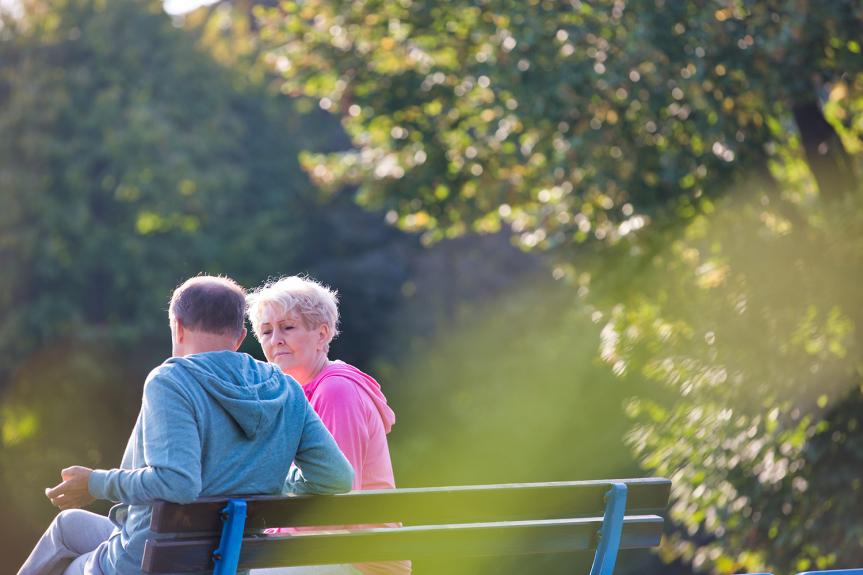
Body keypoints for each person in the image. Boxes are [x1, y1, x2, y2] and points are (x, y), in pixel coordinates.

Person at [18, 275, 354, 575]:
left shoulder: (172, 380)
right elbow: (336, 476)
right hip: (229, 559)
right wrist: (267, 484)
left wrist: (94, 483)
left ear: (177, 326)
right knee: (67, 525)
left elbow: (178, 482)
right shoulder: (286, 389)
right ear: (239, 337)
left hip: (150, 561)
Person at [246, 276, 411, 575]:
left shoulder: (336, 392)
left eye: (288, 327)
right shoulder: (295, 394)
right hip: (323, 551)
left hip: (360, 559)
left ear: (322, 334)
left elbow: (335, 506)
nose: (275, 340)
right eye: (266, 331)